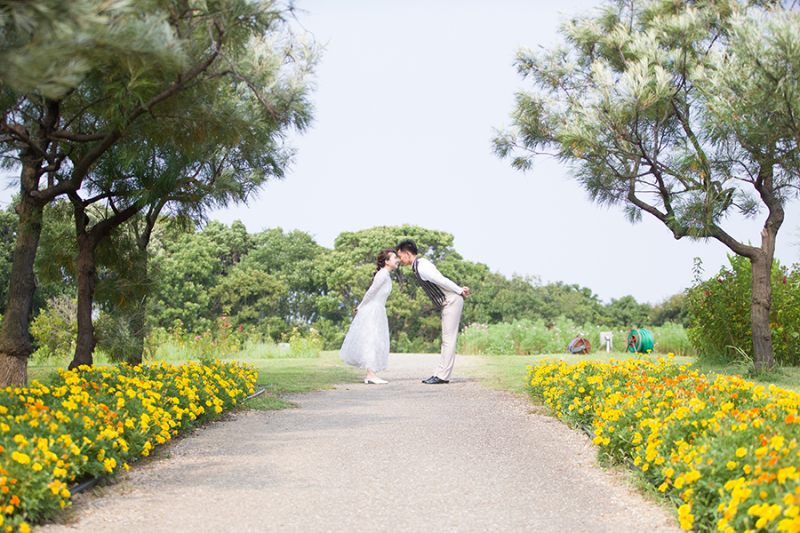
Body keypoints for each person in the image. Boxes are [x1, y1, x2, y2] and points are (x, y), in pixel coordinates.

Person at [396, 239, 469, 384]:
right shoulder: (418, 266)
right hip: (448, 301)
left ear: (408, 254)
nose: (399, 259)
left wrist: (460, 290)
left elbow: (442, 280)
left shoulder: (422, 267)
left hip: (451, 300)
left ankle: (442, 376)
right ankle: (439, 373)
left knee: (448, 340)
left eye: (400, 256)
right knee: (446, 339)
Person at [339, 248, 399, 384]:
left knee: (376, 339)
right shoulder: (382, 275)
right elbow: (370, 292)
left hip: (379, 310)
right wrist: (360, 308)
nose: (397, 260)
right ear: (387, 261)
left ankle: (372, 373)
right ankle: (370, 374)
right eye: (394, 258)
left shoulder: (386, 275)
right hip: (373, 310)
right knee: (372, 339)